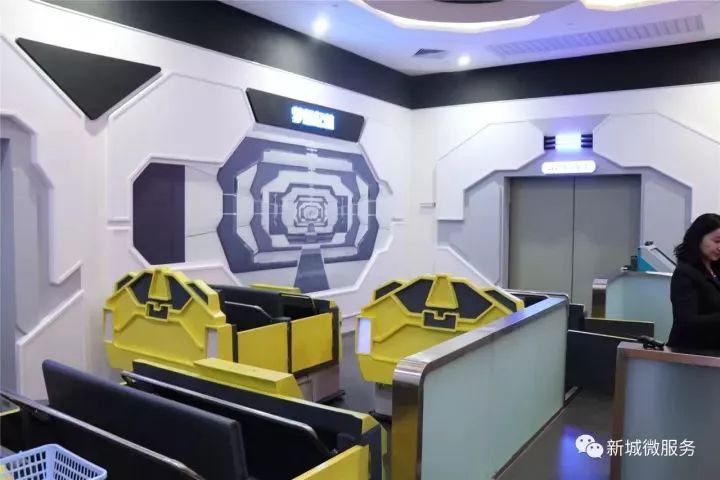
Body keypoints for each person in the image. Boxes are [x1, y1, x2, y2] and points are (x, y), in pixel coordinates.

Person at [668, 213, 720, 350]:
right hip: (690, 352)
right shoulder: (685, 273)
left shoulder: (715, 270)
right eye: (717, 241)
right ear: (698, 238)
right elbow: (687, 321)